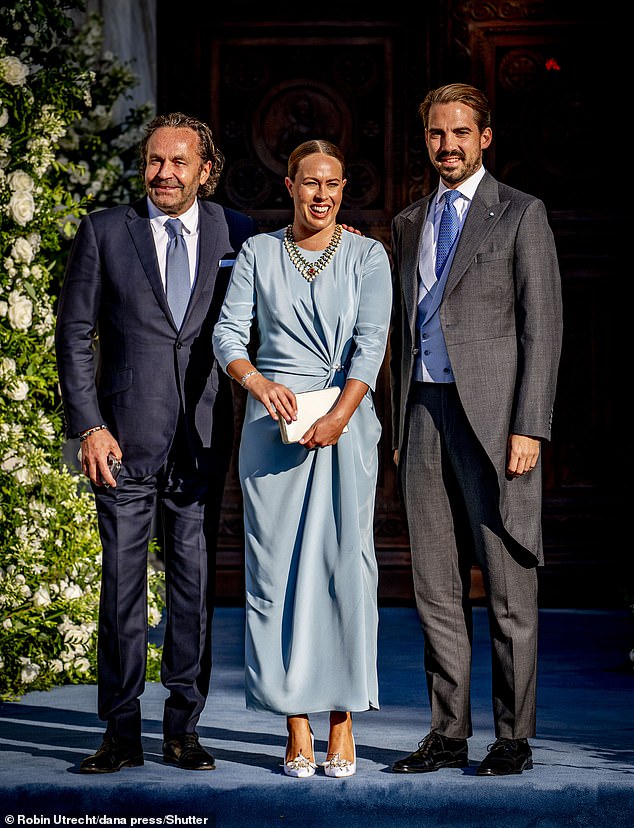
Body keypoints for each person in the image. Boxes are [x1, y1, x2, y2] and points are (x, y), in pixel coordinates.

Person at [54, 112, 256, 773]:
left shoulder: (238, 232)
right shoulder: (105, 232)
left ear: (205, 169)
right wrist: (89, 424)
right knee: (121, 589)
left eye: (178, 162)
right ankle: (118, 732)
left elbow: (279, 296)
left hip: (200, 440)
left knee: (194, 588)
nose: (163, 173)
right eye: (154, 161)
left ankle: (183, 729)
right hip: (121, 440)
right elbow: (75, 333)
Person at [389, 83, 563, 776]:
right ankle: (448, 732)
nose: (448, 145)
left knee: (508, 582)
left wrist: (531, 426)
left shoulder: (521, 214)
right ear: (426, 138)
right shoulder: (407, 223)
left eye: (461, 132)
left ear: (484, 136)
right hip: (423, 413)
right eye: (437, 134)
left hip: (497, 424)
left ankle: (513, 738)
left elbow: (542, 328)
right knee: (434, 585)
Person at [212, 139, 391, 778]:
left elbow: (372, 343)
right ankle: (296, 724)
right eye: (310, 182)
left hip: (346, 421)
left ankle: (342, 720)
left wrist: (341, 416)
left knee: (347, 566)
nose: (322, 195)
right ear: (288, 185)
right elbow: (228, 336)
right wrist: (260, 386)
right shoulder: (259, 252)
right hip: (274, 428)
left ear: (344, 190)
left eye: (333, 184)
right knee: (275, 573)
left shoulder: (369, 255)